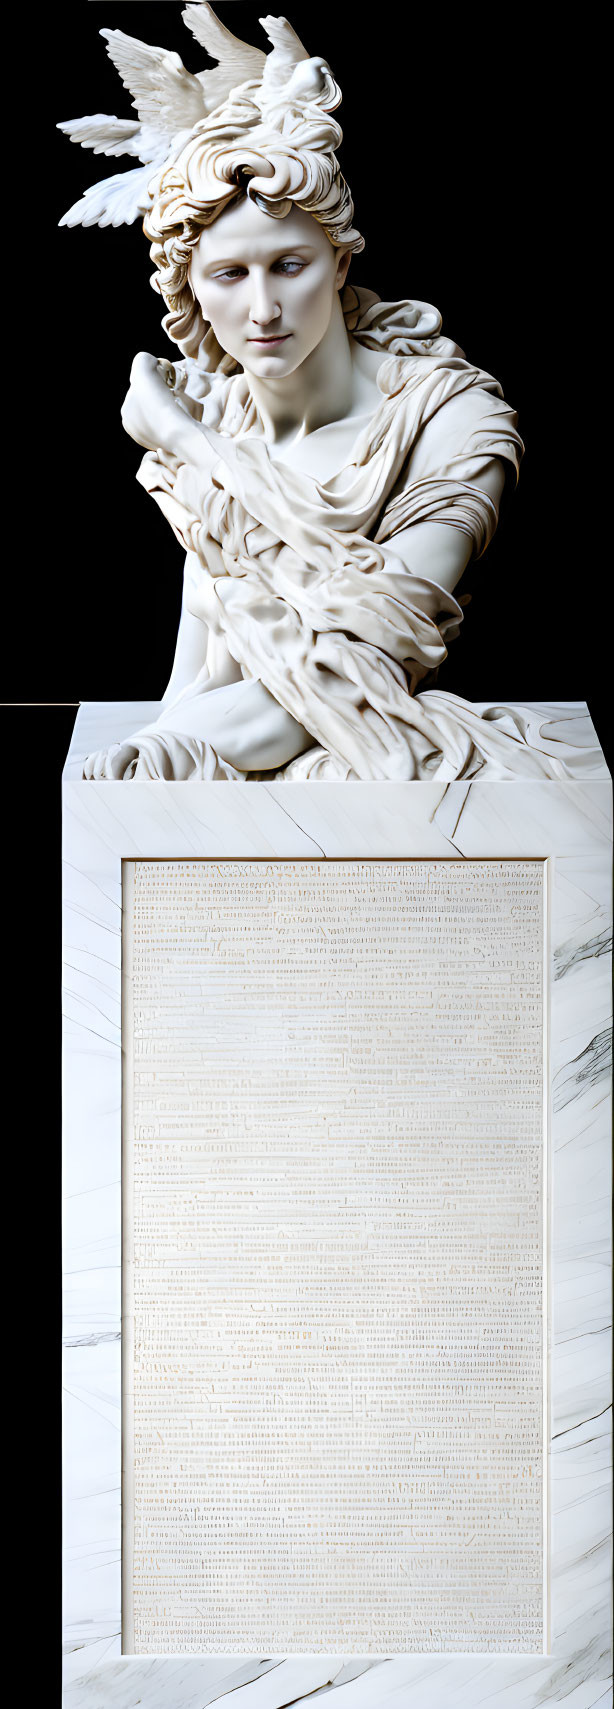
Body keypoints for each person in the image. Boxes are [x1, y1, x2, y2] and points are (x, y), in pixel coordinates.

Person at [61, 7, 595, 781]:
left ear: (340, 263)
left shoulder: (452, 424)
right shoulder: (224, 414)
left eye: (289, 265)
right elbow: (201, 677)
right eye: (228, 276)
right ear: (190, 291)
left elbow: (358, 662)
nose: (264, 310)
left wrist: (186, 443)